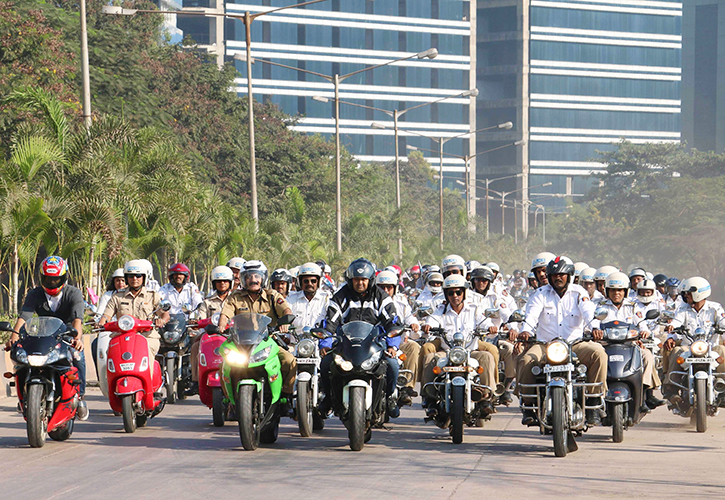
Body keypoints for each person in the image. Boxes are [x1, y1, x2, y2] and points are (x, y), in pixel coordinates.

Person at [517, 256, 607, 426]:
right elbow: (532, 314)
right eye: (554, 275)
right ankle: (528, 406)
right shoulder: (540, 294)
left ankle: (594, 402)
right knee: (526, 359)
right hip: (545, 345)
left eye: (562, 274)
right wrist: (526, 331)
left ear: (569, 275)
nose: (558, 278)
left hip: (575, 344)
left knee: (599, 353)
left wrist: (595, 327)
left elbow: (588, 311)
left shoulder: (579, 293)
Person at [6, 256, 89, 420]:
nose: (52, 282)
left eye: (56, 279)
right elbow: (23, 317)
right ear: (42, 277)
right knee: (21, 358)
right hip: (42, 335)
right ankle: (25, 394)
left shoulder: (74, 293)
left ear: (64, 277)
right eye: (48, 279)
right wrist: (13, 337)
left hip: (67, 335)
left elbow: (77, 319)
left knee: (78, 356)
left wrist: (77, 339)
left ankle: (80, 397)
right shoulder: (35, 294)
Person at [319, 258, 402, 418]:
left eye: (363, 279)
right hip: (346, 344)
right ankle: (328, 399)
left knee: (392, 364)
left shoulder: (381, 297)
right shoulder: (340, 297)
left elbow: (392, 322)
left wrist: (392, 345)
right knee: (325, 363)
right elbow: (330, 322)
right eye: (356, 279)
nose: (360, 283)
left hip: (375, 344)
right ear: (350, 280)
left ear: (370, 280)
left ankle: (390, 397)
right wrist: (326, 343)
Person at [218, 260, 297, 413]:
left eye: (257, 276)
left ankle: (285, 397)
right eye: (249, 276)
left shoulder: (272, 295)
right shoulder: (235, 296)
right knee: (223, 365)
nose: (253, 279)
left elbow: (286, 310)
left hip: (268, 342)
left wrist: (285, 321)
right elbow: (225, 314)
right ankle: (229, 400)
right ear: (243, 279)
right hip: (240, 343)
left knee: (289, 360)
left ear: (263, 278)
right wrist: (221, 325)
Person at [420, 275, 497, 417]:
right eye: (450, 293)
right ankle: (429, 397)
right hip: (447, 352)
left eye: (458, 292)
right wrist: (428, 325)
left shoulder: (474, 309)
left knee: (487, 356)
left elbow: (484, 321)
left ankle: (487, 397)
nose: (455, 296)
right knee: (430, 357)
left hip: (470, 351)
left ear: (464, 293)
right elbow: (433, 319)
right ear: (446, 294)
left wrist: (491, 327)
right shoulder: (441, 310)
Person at [594, 272, 664, 411]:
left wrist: (644, 332)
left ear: (625, 291)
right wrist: (595, 331)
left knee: (647, 356)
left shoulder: (633, 306)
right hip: (605, 345)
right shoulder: (599, 306)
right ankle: (594, 397)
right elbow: (592, 322)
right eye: (613, 290)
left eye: (620, 290)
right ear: (607, 291)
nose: (616, 293)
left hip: (629, 345)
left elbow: (641, 323)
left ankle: (644, 395)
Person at [99, 259, 170, 377]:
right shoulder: (117, 297)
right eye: (131, 276)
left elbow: (165, 314)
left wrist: (161, 320)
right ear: (127, 278)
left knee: (146, 355)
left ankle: (149, 385)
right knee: (111, 353)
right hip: (121, 337)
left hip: (146, 337)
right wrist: (101, 323)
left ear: (144, 278)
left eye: (138, 276)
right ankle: (112, 387)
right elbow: (106, 315)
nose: (135, 279)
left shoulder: (152, 296)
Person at [662, 277, 725, 400]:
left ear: (698, 294)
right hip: (689, 348)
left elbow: (723, 322)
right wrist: (671, 333)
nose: (685, 296)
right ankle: (671, 389)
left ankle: (722, 385)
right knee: (676, 351)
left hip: (711, 348)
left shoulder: (715, 308)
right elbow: (677, 322)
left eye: (688, 294)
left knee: (722, 349)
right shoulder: (682, 308)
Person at [469, 266, 518, 404]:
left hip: (496, 337)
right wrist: (486, 326)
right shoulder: (467, 297)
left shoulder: (496, 298)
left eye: (484, 280)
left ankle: (505, 388)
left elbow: (507, 314)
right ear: (473, 281)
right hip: (473, 338)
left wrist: (513, 328)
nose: (481, 283)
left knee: (510, 351)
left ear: (490, 282)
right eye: (478, 280)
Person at [186, 265, 233, 396]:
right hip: (211, 335)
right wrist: (197, 322)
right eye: (218, 281)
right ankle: (196, 381)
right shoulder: (207, 302)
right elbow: (201, 317)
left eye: (225, 281)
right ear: (214, 283)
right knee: (195, 346)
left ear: (230, 282)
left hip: (232, 336)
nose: (222, 284)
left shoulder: (235, 299)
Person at [376, 270, 421, 406]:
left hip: (399, 342)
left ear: (395, 288)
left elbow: (409, 316)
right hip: (376, 343)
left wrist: (414, 324)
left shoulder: (401, 301)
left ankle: (407, 387)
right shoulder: (371, 300)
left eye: (389, 287)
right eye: (381, 287)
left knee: (414, 347)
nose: (385, 290)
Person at [92, 268, 126, 377]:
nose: (120, 283)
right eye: (117, 280)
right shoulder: (108, 295)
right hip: (109, 329)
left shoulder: (131, 294)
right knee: (95, 345)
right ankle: (101, 376)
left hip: (127, 330)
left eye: (123, 280)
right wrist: (98, 321)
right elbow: (100, 313)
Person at [287, 262, 331, 332]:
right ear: (300, 282)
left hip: (318, 342)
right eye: (306, 281)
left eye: (313, 281)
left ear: (318, 282)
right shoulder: (291, 299)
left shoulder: (326, 299)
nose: (309, 284)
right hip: (295, 342)